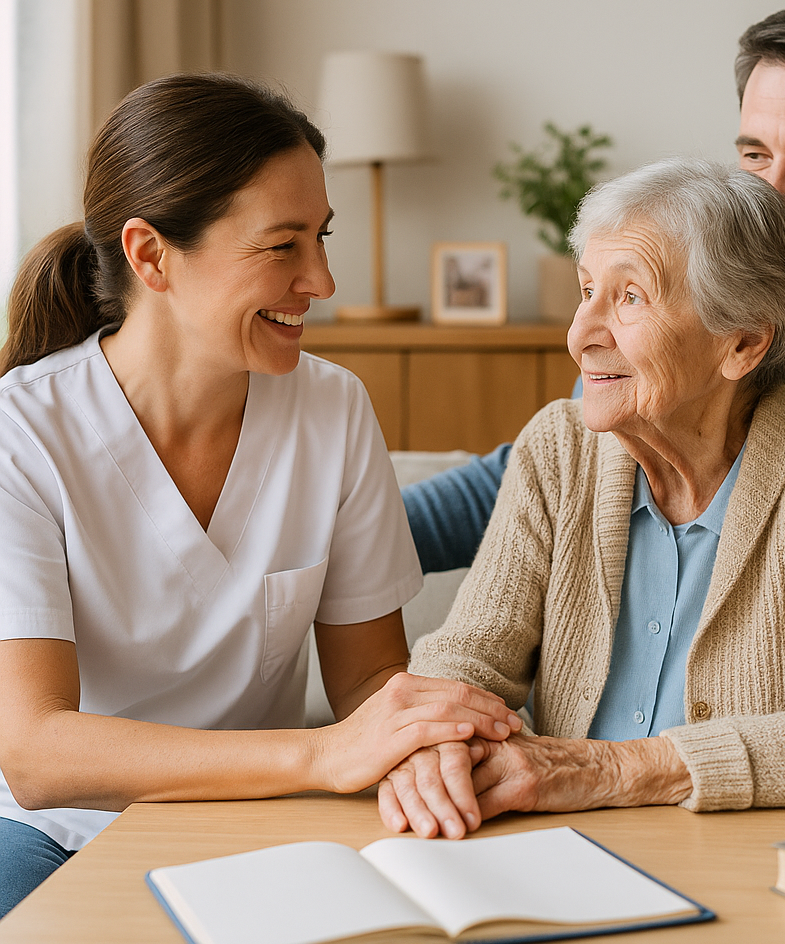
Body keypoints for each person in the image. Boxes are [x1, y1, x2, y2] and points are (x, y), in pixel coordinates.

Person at [401, 0, 785, 777]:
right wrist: (295, 541)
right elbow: (525, 486)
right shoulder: (635, 388)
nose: (775, 192)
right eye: (756, 154)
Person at [0, 74, 521, 917]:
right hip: (49, 830)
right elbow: (37, 753)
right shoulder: (21, 435)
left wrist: (421, 742)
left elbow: (369, 681)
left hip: (255, 818)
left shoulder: (333, 408)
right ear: (150, 255)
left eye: (321, 236)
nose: (322, 278)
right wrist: (321, 758)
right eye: (282, 246)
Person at [377, 158, 785, 839]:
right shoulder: (557, 450)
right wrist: (439, 748)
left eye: (630, 298)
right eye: (586, 289)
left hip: (756, 867)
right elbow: (470, 656)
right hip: (561, 854)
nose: (581, 333)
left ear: (742, 342)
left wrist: (617, 771)